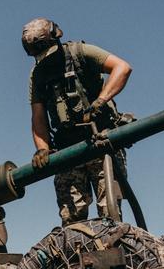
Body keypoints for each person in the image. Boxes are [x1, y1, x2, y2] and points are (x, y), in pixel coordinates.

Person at [22, 17, 134, 225]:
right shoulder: (37, 75)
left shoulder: (80, 52)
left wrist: (100, 101)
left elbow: (122, 68)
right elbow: (38, 116)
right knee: (71, 218)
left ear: (56, 38)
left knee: (109, 215)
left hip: (101, 141)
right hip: (68, 150)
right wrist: (42, 149)